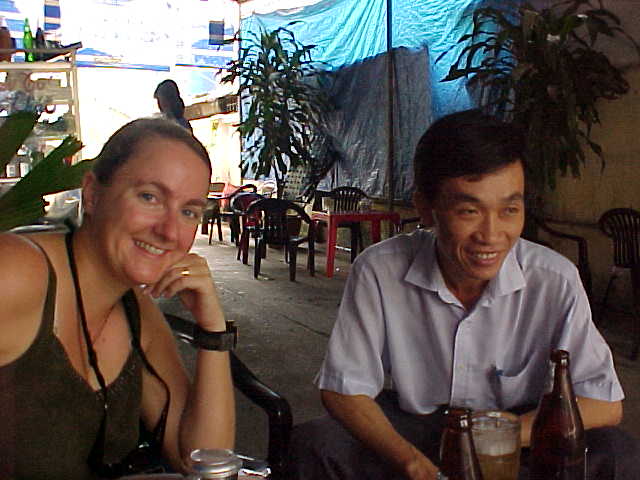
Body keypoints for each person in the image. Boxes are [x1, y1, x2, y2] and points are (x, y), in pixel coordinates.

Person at [286, 109, 638, 480]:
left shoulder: (554, 279)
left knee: (617, 454)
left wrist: (499, 437)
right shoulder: (380, 269)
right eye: (469, 210)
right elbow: (344, 389)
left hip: (521, 434)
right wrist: (410, 463)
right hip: (420, 431)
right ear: (426, 208)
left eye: (509, 210)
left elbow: (604, 402)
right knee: (317, 444)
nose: (491, 234)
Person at [0, 118, 234, 479]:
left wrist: (213, 331)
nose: (170, 231)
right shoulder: (17, 273)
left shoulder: (135, 312)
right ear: (92, 194)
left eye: (189, 211)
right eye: (149, 197)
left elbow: (202, 460)